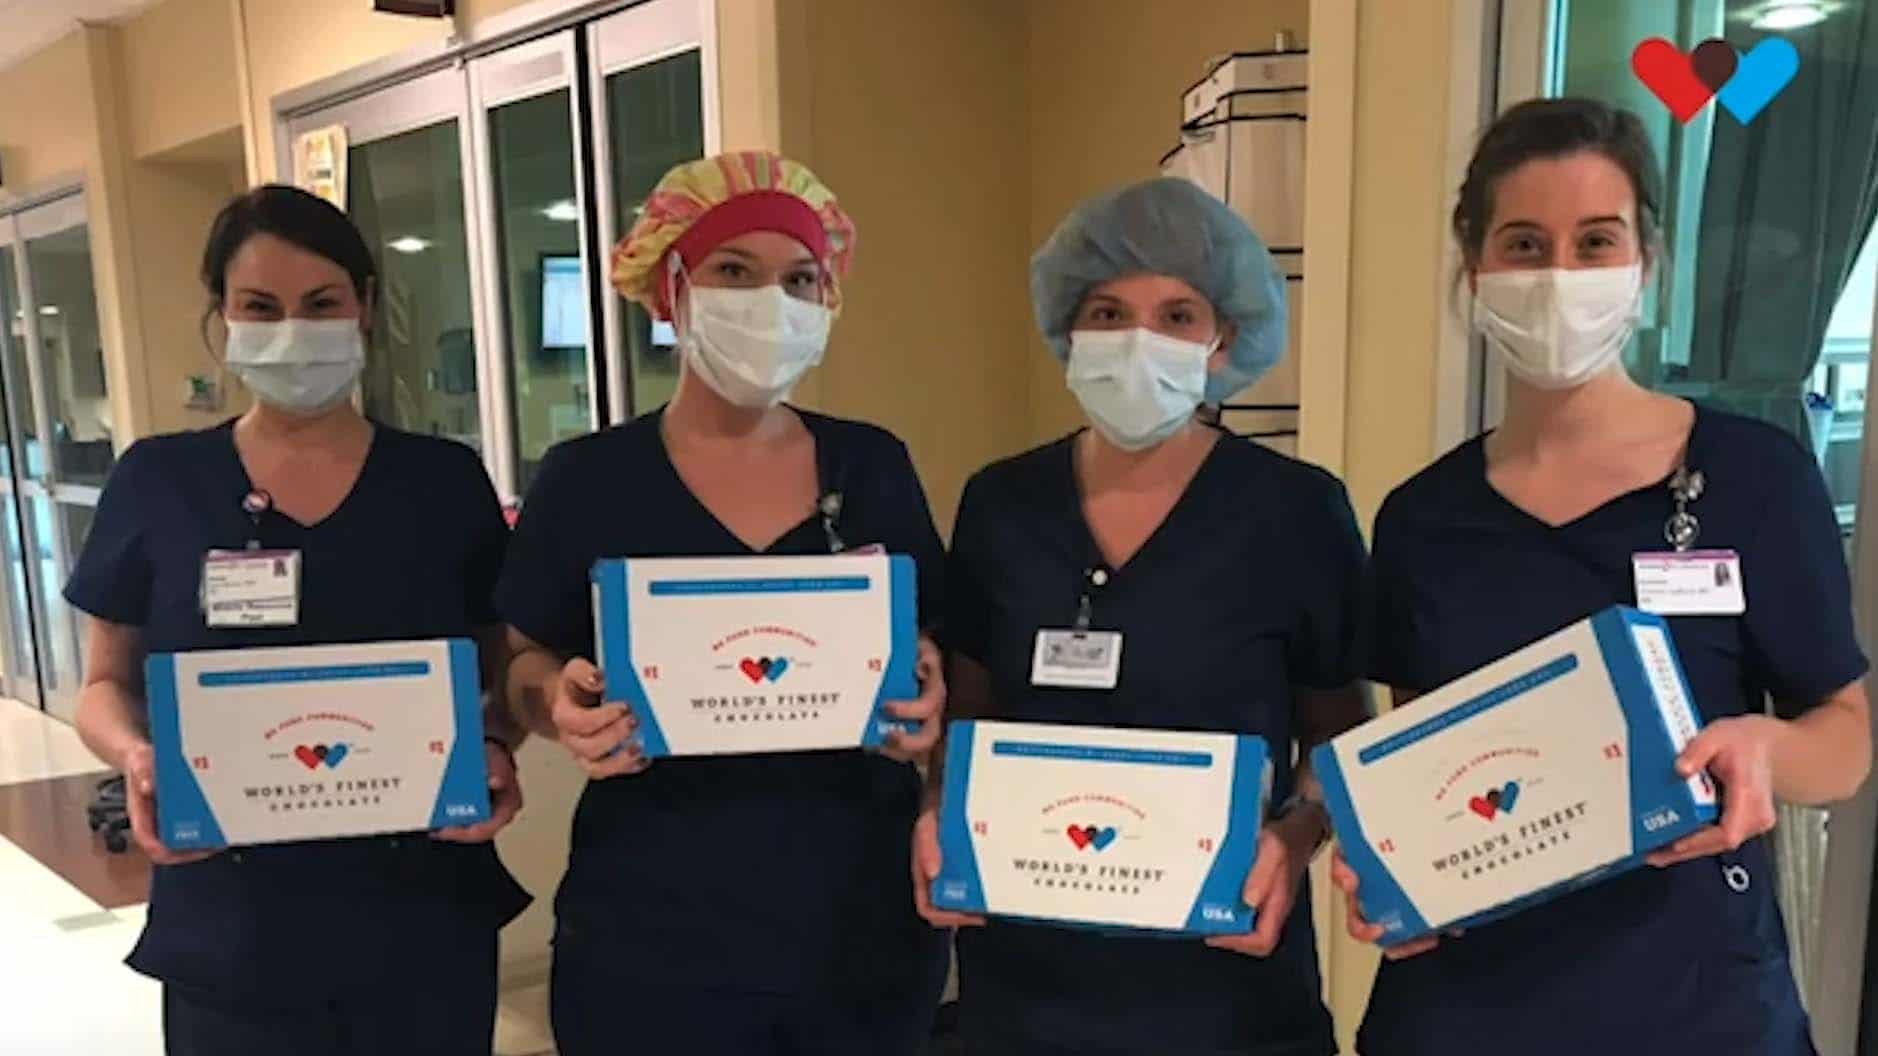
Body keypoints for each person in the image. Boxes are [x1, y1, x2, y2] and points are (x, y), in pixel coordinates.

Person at [1337, 98, 1872, 1055]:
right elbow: (1425, 763)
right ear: (1474, 268)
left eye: (1595, 242)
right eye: (1524, 245)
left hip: (1694, 1003)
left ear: (1646, 262)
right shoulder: (1423, 519)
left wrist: (1763, 749)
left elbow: (1844, 739)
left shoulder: (1754, 479)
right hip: (1468, 1012)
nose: (1560, 277)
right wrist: (1386, 867)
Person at [498, 150, 949, 1056]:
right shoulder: (589, 478)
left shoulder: (870, 464)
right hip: (653, 923)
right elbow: (518, 661)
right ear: (670, 290)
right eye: (734, 272)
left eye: (799, 279)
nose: (770, 303)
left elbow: (933, 641)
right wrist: (554, 702)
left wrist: (931, 688)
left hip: (857, 919)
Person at [66, 184, 530, 1055]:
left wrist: (499, 744)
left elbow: (502, 665)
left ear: (365, 308)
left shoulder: (441, 482)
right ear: (223, 315)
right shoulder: (160, 481)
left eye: (321, 304)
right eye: (260, 307)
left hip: (420, 909)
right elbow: (101, 685)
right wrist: (137, 757)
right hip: (232, 916)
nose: (292, 332)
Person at [917, 177, 1370, 1055]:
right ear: (1068, 329)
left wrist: (1295, 837)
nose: (1138, 341)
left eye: (1176, 316)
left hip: (1227, 989)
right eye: (1108, 313)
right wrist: (937, 808)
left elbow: (1338, 732)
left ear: (1223, 339)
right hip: (1026, 987)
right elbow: (968, 715)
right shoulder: (1002, 505)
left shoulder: (1296, 512)